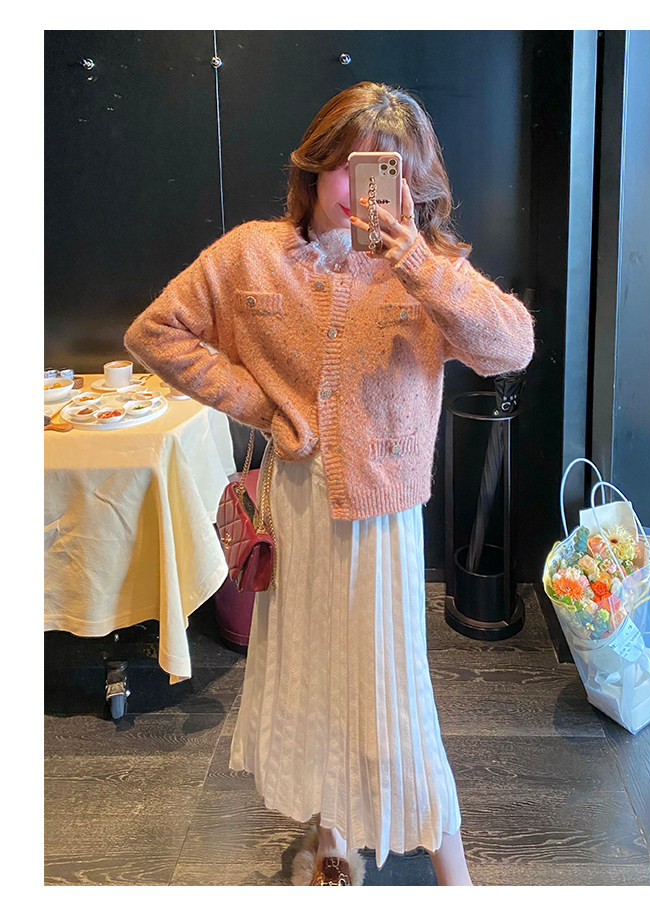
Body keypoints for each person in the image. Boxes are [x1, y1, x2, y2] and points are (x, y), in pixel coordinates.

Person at [124, 81, 534, 886]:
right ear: (313, 166)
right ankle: (333, 834)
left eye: (387, 169)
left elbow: (510, 346)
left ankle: (453, 875)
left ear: (410, 182)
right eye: (349, 164)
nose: (362, 186)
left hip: (382, 520)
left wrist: (416, 261)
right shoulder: (253, 254)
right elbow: (155, 332)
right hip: (298, 508)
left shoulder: (425, 269)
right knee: (314, 681)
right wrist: (261, 403)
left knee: (394, 701)